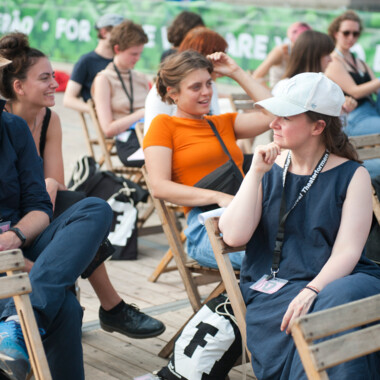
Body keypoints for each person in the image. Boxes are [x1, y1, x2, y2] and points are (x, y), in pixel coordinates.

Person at [0, 32, 165, 344]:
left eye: (53, 76)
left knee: (82, 204)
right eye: (46, 78)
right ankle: (109, 305)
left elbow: (54, 181)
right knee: (77, 205)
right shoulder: (5, 122)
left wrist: (42, 197)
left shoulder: (49, 119)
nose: (56, 84)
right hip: (12, 218)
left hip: (36, 210)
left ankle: (97, 302)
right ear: (18, 87)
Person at [219, 72, 380, 379]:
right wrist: (254, 174)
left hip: (336, 278)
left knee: (339, 298)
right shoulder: (268, 166)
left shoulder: (352, 174)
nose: (272, 124)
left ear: (318, 126)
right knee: (327, 307)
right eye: (274, 115)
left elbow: (348, 251)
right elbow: (235, 234)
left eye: (285, 117)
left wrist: (313, 288)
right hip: (275, 287)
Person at [0, 54, 114, 379]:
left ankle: (17, 323)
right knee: (62, 304)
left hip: (16, 243)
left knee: (94, 208)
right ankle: (21, 320)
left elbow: (39, 208)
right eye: (44, 78)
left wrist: (15, 239)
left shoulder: (14, 128)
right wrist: (31, 267)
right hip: (11, 262)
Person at [143, 50, 273, 270]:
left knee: (291, 251)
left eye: (209, 84)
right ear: (173, 93)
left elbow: (275, 114)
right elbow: (159, 187)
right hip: (206, 228)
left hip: (244, 215)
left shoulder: (222, 123)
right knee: (278, 257)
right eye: (196, 87)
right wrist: (219, 197)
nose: (206, 92)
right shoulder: (164, 125)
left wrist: (235, 72)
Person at [325, 10, 380, 177]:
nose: (351, 37)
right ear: (335, 33)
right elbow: (354, 92)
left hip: (372, 112)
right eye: (346, 33)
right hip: (354, 116)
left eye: (355, 33)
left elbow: (376, 89)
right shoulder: (333, 61)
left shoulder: (359, 60)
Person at [144, 26, 228, 134]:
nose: (223, 59)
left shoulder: (210, 85)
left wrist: (235, 72)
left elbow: (217, 124)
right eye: (219, 54)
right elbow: (151, 138)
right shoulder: (162, 90)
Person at [92, 20, 149, 168]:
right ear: (117, 49)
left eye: (140, 53)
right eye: (133, 54)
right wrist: (142, 113)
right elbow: (108, 129)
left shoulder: (141, 78)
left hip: (150, 137)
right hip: (129, 142)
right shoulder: (103, 79)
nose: (137, 58)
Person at [272, 30, 358, 116]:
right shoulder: (285, 87)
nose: (330, 59)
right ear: (313, 56)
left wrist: (342, 108)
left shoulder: (326, 86)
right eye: (327, 54)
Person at [63, 13, 124, 113]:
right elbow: (68, 99)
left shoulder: (121, 59)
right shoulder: (86, 61)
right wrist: (98, 111)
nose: (123, 37)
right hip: (109, 120)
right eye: (119, 33)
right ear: (104, 33)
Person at [252, 21, 311, 88]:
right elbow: (257, 76)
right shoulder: (280, 52)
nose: (301, 48)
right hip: (278, 94)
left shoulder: (308, 53)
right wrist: (269, 95)